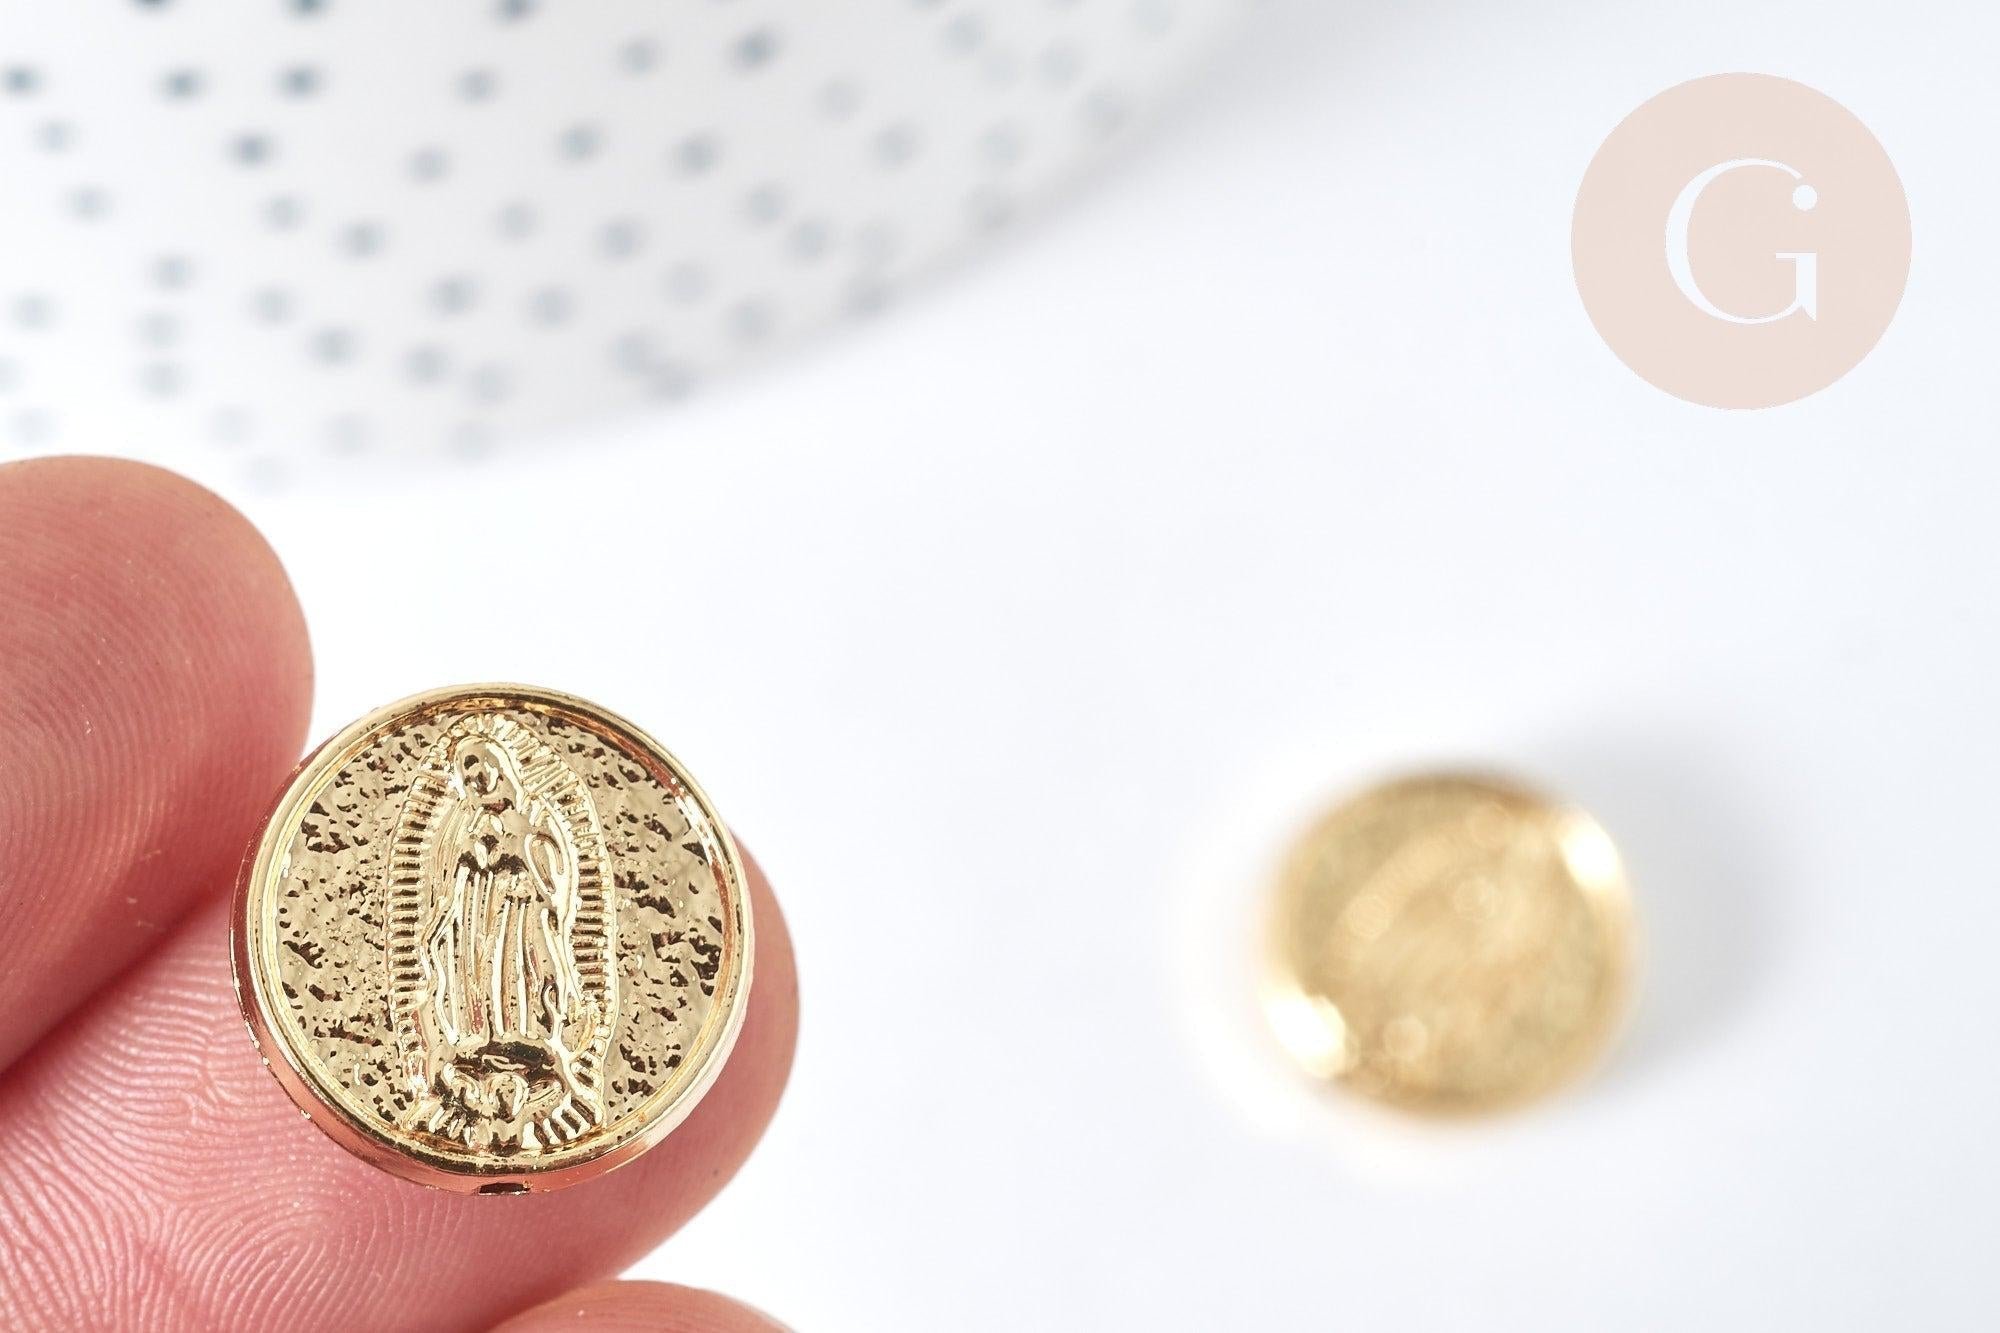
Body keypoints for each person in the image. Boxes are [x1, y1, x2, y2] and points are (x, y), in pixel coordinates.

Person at [0, 456, 799, 1332]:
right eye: (470, 777)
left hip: (524, 931)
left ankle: (523, 1047)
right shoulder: (455, 828)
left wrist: (516, 870)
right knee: (480, 990)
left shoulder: (539, 821)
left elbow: (559, 886)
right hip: (474, 941)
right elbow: (448, 889)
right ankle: (478, 1045)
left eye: (486, 775)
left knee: (519, 990)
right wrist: (473, 877)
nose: (480, 786)